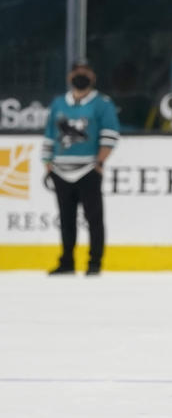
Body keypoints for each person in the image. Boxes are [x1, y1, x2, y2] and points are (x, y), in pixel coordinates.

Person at [42, 60, 120, 276]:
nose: (81, 75)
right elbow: (50, 134)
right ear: (70, 76)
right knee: (66, 219)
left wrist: (99, 162)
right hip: (60, 170)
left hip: (88, 170)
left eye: (86, 72)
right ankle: (67, 261)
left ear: (93, 77)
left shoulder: (102, 104)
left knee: (94, 218)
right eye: (77, 72)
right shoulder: (59, 103)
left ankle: (94, 262)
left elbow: (110, 135)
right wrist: (47, 162)